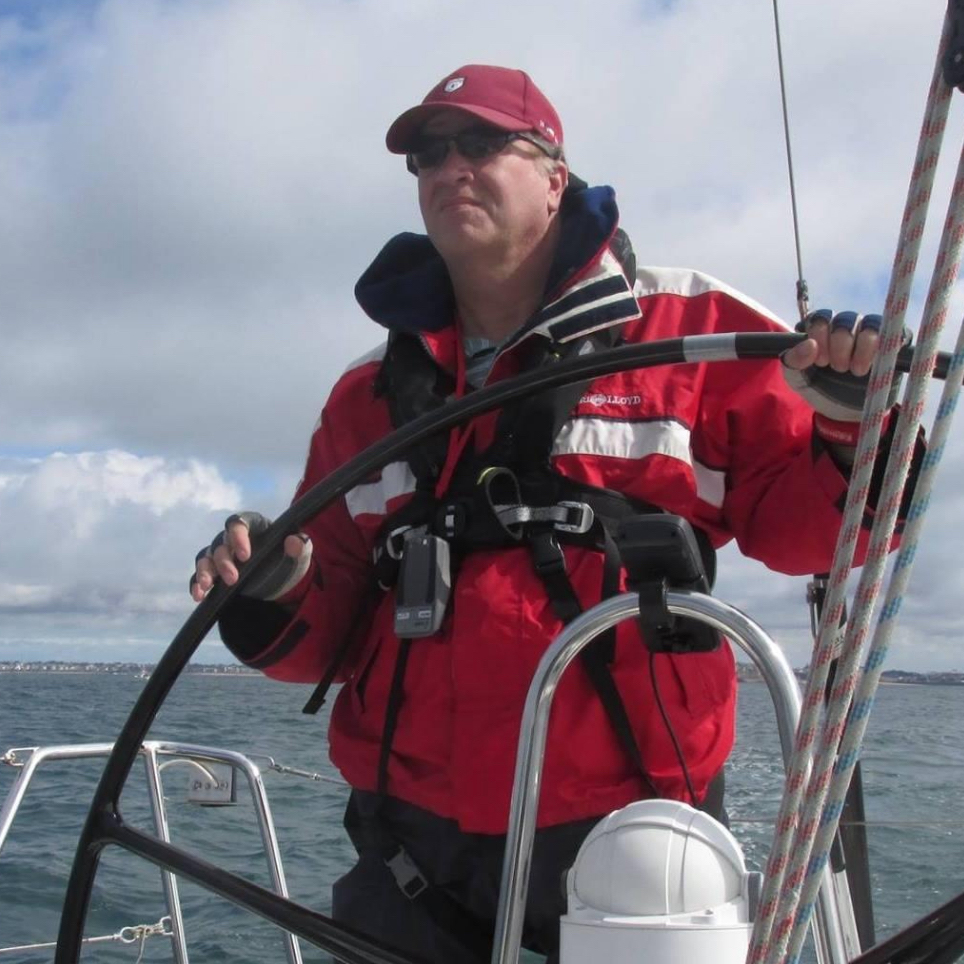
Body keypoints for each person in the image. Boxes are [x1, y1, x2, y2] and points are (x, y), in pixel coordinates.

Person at [191, 65, 914, 964]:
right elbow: (331, 635)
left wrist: (852, 428)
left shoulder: (691, 328)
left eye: (483, 142)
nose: (451, 167)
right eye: (429, 153)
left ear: (554, 174)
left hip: (628, 835)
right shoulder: (365, 398)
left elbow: (815, 536)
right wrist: (275, 585)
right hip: (408, 845)